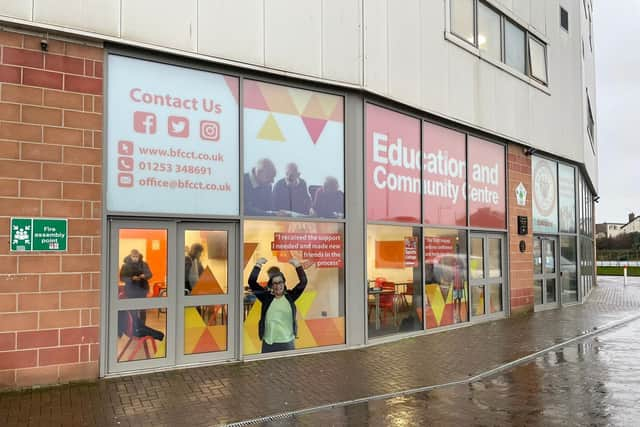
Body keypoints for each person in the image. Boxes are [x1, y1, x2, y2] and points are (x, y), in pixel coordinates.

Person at [247, 257, 307, 353]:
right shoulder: (266, 297)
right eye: (274, 283)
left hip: (287, 342)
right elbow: (252, 282)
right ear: (271, 285)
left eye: (280, 282)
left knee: (289, 368)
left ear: (284, 283)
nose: (278, 285)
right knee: (268, 367)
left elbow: (303, 282)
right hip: (269, 343)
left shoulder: (290, 296)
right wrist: (258, 265)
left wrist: (298, 266)